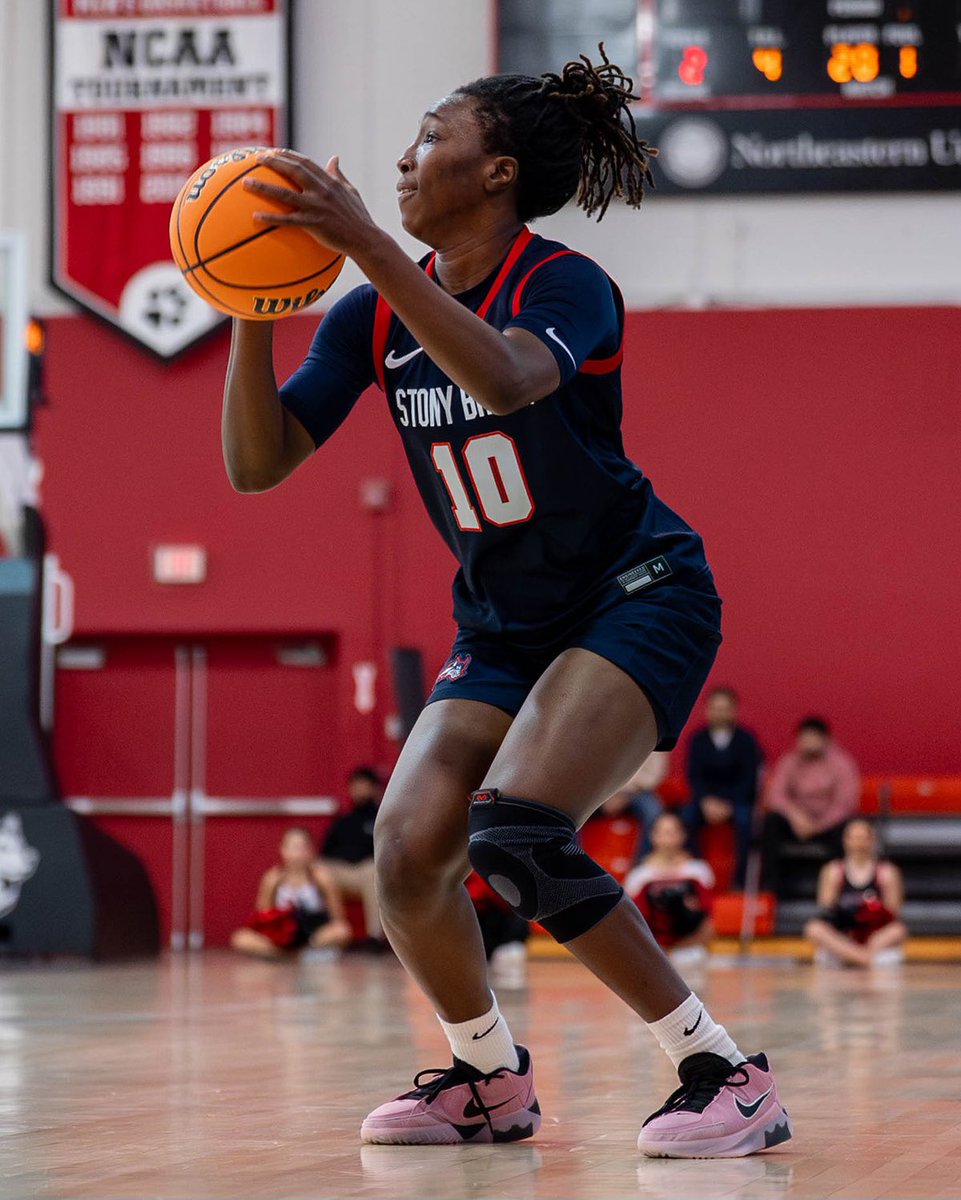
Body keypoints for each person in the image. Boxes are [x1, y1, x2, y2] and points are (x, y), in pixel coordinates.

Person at [222, 46, 790, 1157]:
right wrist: (249, 297)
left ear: (497, 171)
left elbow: (505, 376)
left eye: (432, 134)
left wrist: (366, 245)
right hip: (503, 623)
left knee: (517, 832)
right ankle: (486, 1078)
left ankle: (724, 1071)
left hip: (636, 593)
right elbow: (258, 461)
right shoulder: (371, 318)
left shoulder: (562, 283)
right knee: (404, 850)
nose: (403, 157)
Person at [761, 716, 860, 893]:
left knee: (847, 831)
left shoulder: (841, 763)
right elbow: (775, 796)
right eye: (805, 737)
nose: (809, 742)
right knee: (771, 822)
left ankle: (841, 888)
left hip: (828, 825)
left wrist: (818, 825)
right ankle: (772, 888)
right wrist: (796, 817)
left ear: (826, 739)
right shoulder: (789, 761)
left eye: (813, 737)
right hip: (797, 823)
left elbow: (845, 803)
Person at [230, 826, 352, 960]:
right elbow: (262, 916)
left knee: (342, 931)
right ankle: (292, 955)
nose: (296, 853)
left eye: (300, 847)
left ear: (310, 850)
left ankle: (297, 954)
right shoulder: (273, 878)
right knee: (241, 938)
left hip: (313, 934)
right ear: (282, 850)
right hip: (282, 936)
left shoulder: (321, 877)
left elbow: (338, 917)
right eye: (291, 847)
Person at [683, 688, 763, 888]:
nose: (720, 713)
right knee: (685, 818)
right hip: (705, 800)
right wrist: (706, 801)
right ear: (707, 710)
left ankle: (740, 880)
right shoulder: (697, 739)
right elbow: (694, 776)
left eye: (724, 708)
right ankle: (696, 877)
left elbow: (750, 778)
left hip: (737, 801)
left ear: (734, 710)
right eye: (715, 708)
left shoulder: (747, 739)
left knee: (747, 822)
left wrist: (728, 804)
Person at [803, 818, 907, 967]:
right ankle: (862, 958)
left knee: (898, 930)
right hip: (845, 932)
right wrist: (849, 915)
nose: (859, 844)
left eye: (863, 838)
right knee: (814, 929)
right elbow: (826, 907)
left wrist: (869, 912)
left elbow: (893, 910)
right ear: (845, 840)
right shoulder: (833, 870)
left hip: (873, 932)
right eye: (854, 838)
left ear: (873, 840)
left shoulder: (887, 872)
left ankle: (855, 957)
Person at [625, 811, 715, 969]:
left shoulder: (698, 871)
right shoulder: (639, 876)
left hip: (689, 952)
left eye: (672, 832)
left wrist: (681, 948)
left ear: (683, 835)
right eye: (663, 832)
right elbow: (632, 924)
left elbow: (708, 924)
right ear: (652, 835)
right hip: (652, 954)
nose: (667, 838)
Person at [319, 766, 386, 950]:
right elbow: (324, 853)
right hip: (339, 872)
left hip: (366, 872)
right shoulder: (342, 821)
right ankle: (331, 935)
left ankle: (375, 938)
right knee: (319, 871)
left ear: (375, 789)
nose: (359, 789)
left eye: (364, 785)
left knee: (372, 871)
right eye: (356, 785)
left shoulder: (382, 819)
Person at [600, 750, 671, 859]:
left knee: (653, 813)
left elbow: (654, 774)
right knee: (574, 811)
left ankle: (643, 860)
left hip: (638, 791)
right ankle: (574, 856)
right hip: (603, 791)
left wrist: (624, 792)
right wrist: (609, 793)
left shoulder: (653, 740)